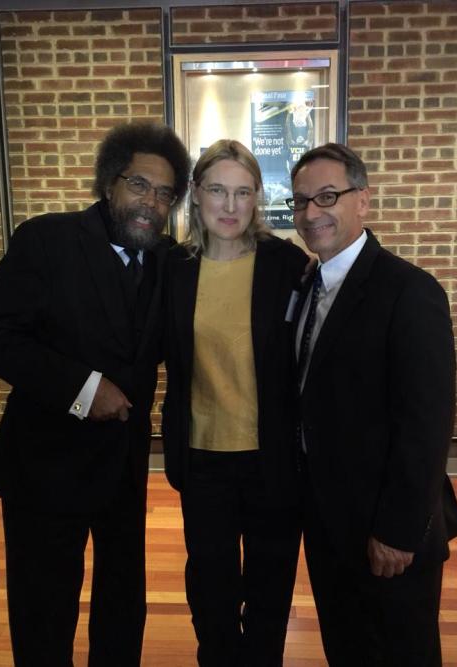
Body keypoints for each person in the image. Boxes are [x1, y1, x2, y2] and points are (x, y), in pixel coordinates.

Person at [0, 121, 190, 667]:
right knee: (44, 610)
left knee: (123, 604)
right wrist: (82, 388)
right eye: (139, 184)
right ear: (108, 183)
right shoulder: (46, 240)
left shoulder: (169, 260)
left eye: (165, 193)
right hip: (44, 467)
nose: (151, 202)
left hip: (123, 466)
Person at [287, 142, 457, 667]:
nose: (311, 213)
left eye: (326, 197)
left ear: (362, 201)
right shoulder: (307, 281)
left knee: (401, 650)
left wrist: (398, 530)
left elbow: (427, 425)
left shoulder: (409, 291)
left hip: (386, 530)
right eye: (300, 202)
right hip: (327, 518)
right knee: (346, 644)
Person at [162, 139, 308, 667]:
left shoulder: (286, 263)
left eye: (242, 192)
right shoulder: (174, 267)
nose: (229, 206)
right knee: (211, 585)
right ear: (196, 195)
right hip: (202, 456)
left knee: (270, 585)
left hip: (272, 456)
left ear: (256, 199)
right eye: (218, 190)